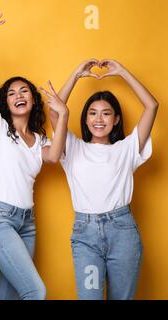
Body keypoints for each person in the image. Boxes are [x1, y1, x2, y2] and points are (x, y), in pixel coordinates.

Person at [0, 14, 69, 300]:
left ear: (33, 99)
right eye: (12, 93)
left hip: (27, 222)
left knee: (9, 294)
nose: (18, 95)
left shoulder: (39, 141)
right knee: (35, 290)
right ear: (6, 103)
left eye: (24, 90)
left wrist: (63, 114)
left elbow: (55, 156)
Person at [50, 59, 158, 300]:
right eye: (93, 113)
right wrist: (76, 73)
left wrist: (123, 72)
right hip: (85, 235)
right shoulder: (72, 147)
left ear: (116, 119)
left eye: (106, 114)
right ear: (86, 119)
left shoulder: (128, 148)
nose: (99, 119)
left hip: (123, 234)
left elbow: (151, 106)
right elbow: (55, 113)